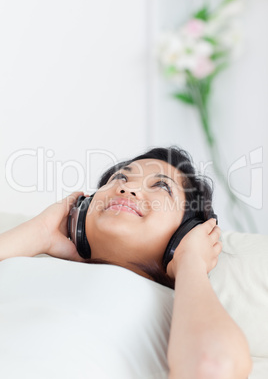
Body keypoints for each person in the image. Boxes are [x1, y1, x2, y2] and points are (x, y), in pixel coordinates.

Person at [0, 146, 252, 378]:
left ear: (184, 234)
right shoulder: (25, 256)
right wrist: (38, 232)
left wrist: (191, 261)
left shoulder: (176, 307)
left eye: (162, 187)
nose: (127, 189)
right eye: (121, 178)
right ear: (83, 208)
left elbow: (214, 367)